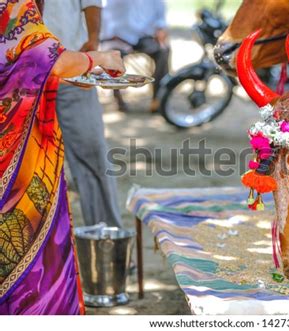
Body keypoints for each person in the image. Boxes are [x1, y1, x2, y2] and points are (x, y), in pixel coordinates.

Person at [0, 0, 125, 314]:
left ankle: (107, 242)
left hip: (41, 92)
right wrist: (101, 57)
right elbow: (53, 60)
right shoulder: (15, 6)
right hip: (16, 143)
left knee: (92, 160)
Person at [42, 0, 123, 228]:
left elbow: (91, 2)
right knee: (30, 167)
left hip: (74, 70)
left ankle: (106, 240)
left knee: (92, 155)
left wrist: (94, 40)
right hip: (23, 81)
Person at [101, 0, 170, 112]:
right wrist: (108, 35)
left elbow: (160, 18)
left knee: (163, 51)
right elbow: (106, 14)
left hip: (143, 36)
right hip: (118, 36)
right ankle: (118, 98)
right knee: (113, 56)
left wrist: (160, 29)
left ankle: (157, 97)